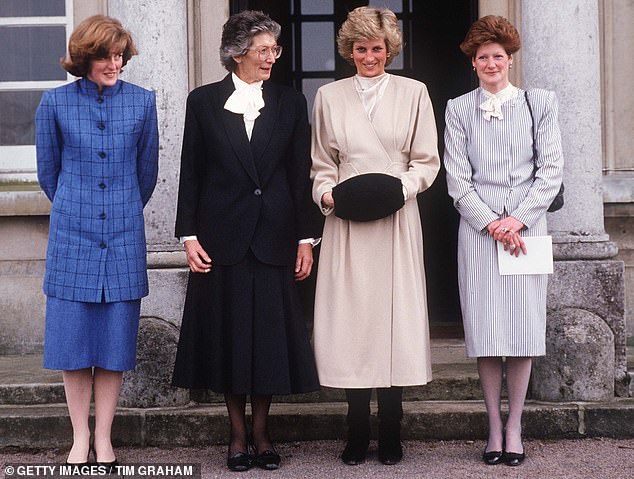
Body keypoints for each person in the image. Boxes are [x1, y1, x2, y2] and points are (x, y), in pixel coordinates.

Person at [171, 10, 320, 472]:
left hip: (275, 237)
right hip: (222, 240)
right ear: (237, 53)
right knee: (231, 338)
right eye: (263, 49)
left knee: (269, 340)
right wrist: (188, 235)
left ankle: (262, 432)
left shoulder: (291, 103)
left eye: (275, 49)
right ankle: (237, 435)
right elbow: (191, 172)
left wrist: (305, 238)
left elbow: (300, 175)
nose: (272, 57)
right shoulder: (202, 102)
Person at [311, 6, 440, 466]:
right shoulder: (328, 96)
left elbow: (427, 159)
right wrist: (327, 196)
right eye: (361, 48)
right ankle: (356, 426)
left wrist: (399, 189)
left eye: (378, 48)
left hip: (396, 216)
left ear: (390, 50)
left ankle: (391, 425)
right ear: (349, 51)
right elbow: (322, 163)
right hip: (346, 220)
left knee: (393, 319)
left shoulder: (414, 93)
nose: (370, 56)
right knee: (353, 323)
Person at [35, 15, 159, 468]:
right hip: (72, 241)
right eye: (107, 55)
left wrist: (120, 211)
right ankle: (79, 436)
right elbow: (49, 174)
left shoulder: (143, 103)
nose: (116, 62)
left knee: (113, 345)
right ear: (85, 57)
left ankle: (104, 438)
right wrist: (79, 209)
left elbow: (147, 174)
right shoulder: (55, 104)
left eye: (121, 54)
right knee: (74, 345)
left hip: (124, 238)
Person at [443, 15, 564, 467]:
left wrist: (516, 221)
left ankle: (516, 426)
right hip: (479, 232)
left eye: (498, 56)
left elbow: (551, 170)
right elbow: (457, 179)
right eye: (482, 57)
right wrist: (492, 223)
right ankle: (493, 425)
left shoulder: (540, 103)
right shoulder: (458, 108)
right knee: (487, 331)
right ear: (473, 63)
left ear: (509, 60)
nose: (490, 63)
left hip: (526, 229)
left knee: (523, 329)